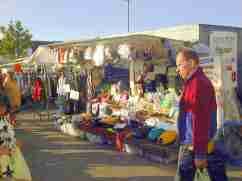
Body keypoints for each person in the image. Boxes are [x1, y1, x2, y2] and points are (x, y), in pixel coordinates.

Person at [175, 49, 228, 181]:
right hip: (196, 143)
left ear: (192, 63)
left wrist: (199, 153)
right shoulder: (193, 82)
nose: (177, 69)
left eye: (179, 64)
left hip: (195, 144)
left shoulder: (198, 83)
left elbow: (200, 119)